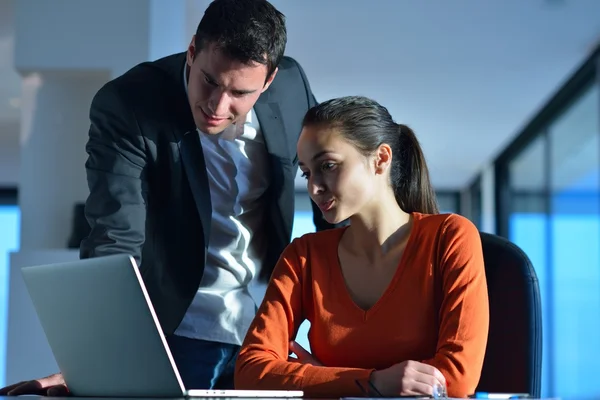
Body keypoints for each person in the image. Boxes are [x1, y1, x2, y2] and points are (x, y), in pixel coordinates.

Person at [0, 0, 335, 396]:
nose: (217, 105)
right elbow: (115, 239)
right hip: (180, 330)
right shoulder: (129, 104)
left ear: (268, 81)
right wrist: (98, 363)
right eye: (209, 81)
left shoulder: (292, 85)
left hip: (270, 332)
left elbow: (330, 198)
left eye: (240, 93)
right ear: (193, 51)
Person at [234, 96, 490, 398]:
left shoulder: (451, 237)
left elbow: (455, 380)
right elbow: (251, 373)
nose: (314, 188)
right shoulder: (304, 256)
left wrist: (324, 379)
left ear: (381, 159)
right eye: (306, 173)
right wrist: (372, 382)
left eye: (327, 165)